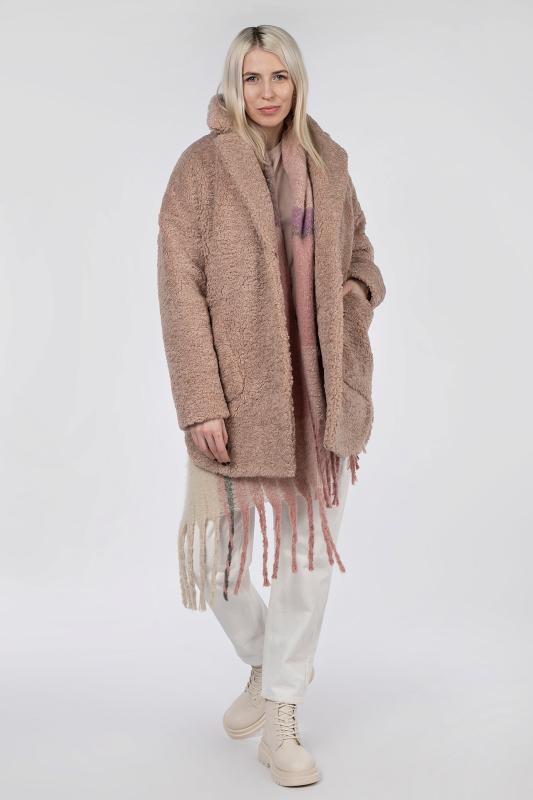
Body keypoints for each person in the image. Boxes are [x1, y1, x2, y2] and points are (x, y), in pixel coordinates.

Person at [157, 24, 386, 788]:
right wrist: (200, 401)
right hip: (238, 396)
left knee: (306, 563)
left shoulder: (328, 162)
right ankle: (264, 661)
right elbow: (178, 289)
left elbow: (362, 253)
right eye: (251, 77)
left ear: (297, 82)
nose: (265, 92)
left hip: (320, 395)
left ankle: (281, 712)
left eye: (279, 76)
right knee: (220, 563)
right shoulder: (200, 168)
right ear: (234, 83)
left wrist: (353, 297)